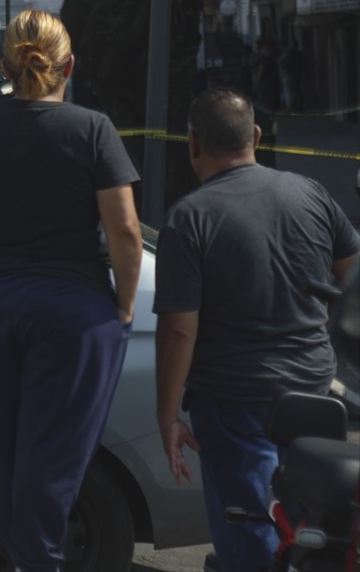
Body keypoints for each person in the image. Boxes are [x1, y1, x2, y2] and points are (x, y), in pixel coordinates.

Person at [0, 9, 141, 572]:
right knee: (56, 456)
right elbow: (124, 230)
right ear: (69, 66)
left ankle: (26, 557)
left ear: (4, 67)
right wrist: (124, 304)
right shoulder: (92, 129)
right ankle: (39, 560)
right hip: (76, 309)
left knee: (4, 451)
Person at [153, 87, 359, 572]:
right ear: (257, 137)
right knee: (310, 534)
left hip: (235, 401)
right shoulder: (310, 193)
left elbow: (179, 330)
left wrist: (167, 416)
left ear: (193, 143)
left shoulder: (189, 218)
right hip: (312, 391)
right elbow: (351, 274)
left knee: (251, 535)